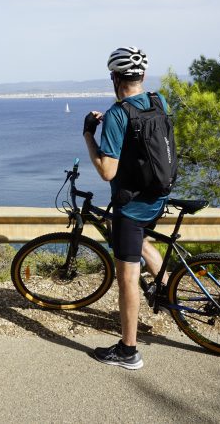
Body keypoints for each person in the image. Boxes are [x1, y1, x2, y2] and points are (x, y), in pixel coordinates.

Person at [83, 47, 169, 370]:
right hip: (157, 198)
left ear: (115, 78)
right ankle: (164, 289)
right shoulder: (159, 102)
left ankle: (128, 351)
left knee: (127, 279)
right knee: (143, 245)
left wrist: (89, 135)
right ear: (143, 77)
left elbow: (107, 171)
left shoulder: (118, 114)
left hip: (131, 208)